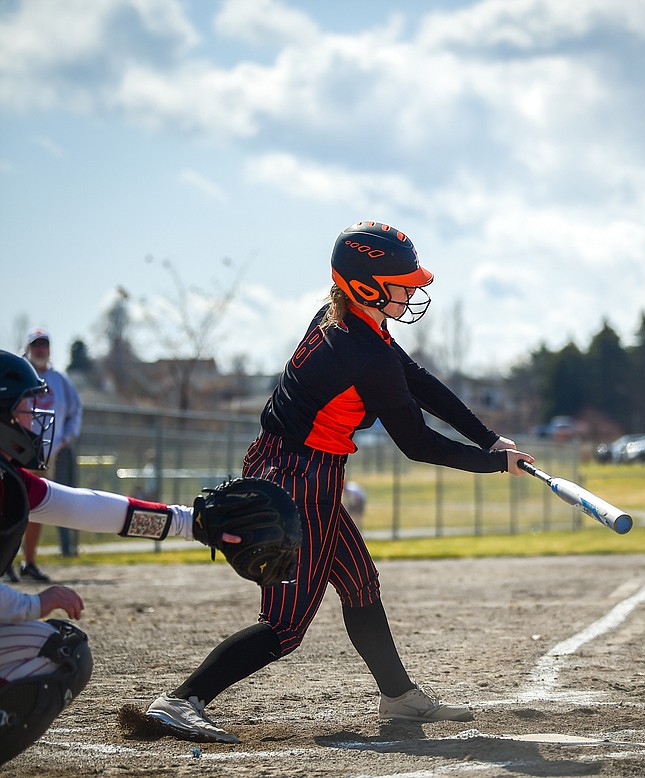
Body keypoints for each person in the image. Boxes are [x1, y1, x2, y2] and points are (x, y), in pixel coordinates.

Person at [144, 220, 535, 745]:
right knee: (286, 626)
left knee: (359, 583)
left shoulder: (353, 325)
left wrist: (489, 440)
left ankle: (398, 696)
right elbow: (417, 443)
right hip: (297, 478)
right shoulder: (363, 352)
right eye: (403, 280)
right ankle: (180, 701)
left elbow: (417, 383)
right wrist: (493, 465)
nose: (413, 288)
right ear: (367, 285)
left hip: (301, 470)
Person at [0, 350, 240, 765]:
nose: (36, 416)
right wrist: (35, 603)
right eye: (25, 406)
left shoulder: (10, 482)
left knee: (57, 646)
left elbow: (92, 508)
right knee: (61, 651)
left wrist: (191, 522)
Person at [4, 328, 85, 584]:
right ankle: (5, 560)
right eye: (36, 345)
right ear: (28, 348)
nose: (40, 349)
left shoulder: (59, 380)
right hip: (10, 448)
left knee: (35, 506)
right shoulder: (14, 373)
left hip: (45, 451)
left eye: (44, 345)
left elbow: (76, 410)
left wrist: (63, 440)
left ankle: (29, 562)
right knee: (8, 503)